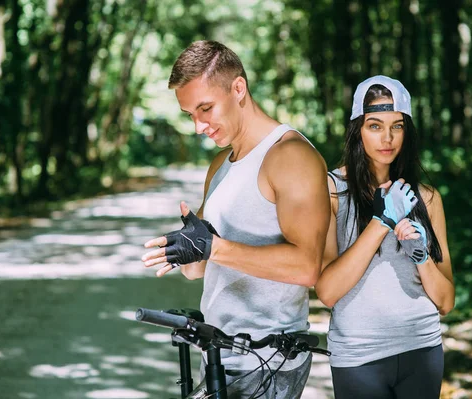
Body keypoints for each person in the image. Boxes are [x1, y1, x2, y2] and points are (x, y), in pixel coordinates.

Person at [140, 40, 330, 398]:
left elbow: (308, 267)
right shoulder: (220, 165)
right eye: (190, 115)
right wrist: (188, 252)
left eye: (206, 108)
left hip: (268, 362)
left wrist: (215, 247)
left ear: (238, 88)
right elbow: (204, 266)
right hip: (217, 356)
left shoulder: (290, 156)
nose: (198, 127)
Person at [315, 75, 455, 399]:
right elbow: (327, 291)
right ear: (356, 130)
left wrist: (420, 255)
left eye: (398, 126)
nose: (387, 138)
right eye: (375, 125)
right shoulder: (332, 191)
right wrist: (383, 221)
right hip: (358, 356)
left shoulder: (427, 198)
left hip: (422, 350)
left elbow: (446, 301)